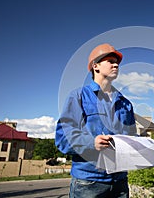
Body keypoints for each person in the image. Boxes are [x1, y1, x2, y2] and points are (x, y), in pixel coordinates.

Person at [55, 43, 137, 198]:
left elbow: (131, 136)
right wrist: (91, 143)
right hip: (89, 183)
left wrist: (141, 145)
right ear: (95, 66)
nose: (116, 65)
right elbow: (63, 138)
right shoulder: (78, 97)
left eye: (117, 63)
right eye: (110, 61)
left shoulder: (125, 103)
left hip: (120, 183)